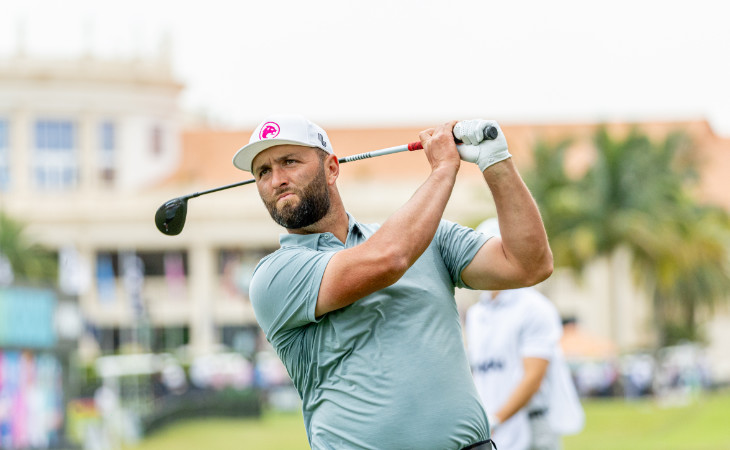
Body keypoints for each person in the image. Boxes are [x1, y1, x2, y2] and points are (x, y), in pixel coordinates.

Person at [232, 114, 553, 449]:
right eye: (263, 172)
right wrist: (444, 169)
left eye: (289, 162)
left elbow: (528, 265)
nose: (277, 180)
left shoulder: (426, 236)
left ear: (331, 168)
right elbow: (388, 260)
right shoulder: (274, 276)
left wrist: (496, 160)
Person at [465, 219, 584, 450]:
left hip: (530, 428)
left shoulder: (535, 308)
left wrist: (496, 419)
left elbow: (533, 378)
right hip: (492, 428)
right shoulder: (477, 314)